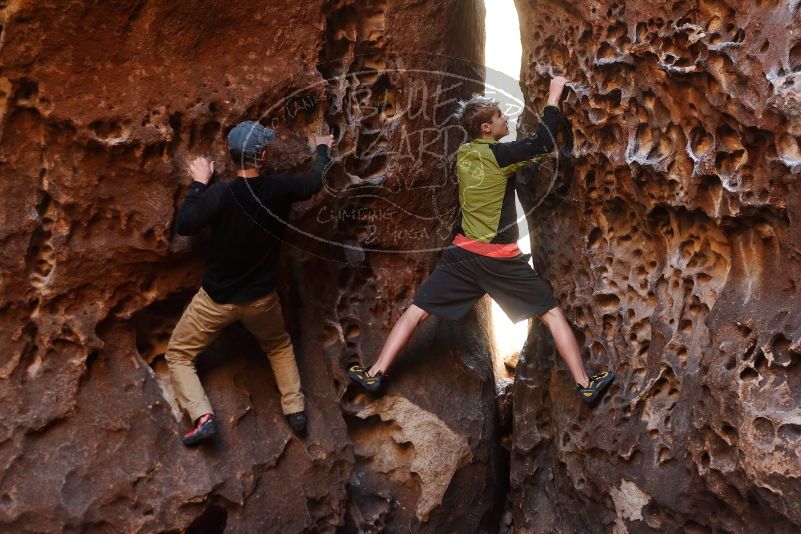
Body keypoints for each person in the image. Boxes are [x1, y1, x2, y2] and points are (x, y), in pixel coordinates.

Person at [348, 76, 614, 404]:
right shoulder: (500, 157)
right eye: (500, 115)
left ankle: (374, 373)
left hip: (462, 256)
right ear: (487, 128)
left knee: (416, 311)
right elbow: (543, 143)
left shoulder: (464, 155)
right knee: (551, 314)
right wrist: (554, 94)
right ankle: (585, 383)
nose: (506, 118)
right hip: (498, 259)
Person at [166, 120, 334, 445]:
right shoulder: (280, 188)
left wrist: (199, 183)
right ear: (264, 156)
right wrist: (323, 148)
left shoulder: (221, 195)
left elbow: (186, 224)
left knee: (178, 355)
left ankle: (203, 416)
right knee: (278, 345)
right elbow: (315, 181)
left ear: (231, 157)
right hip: (261, 300)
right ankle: (295, 409)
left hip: (216, 301)